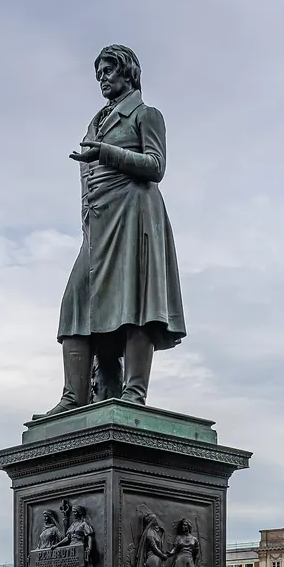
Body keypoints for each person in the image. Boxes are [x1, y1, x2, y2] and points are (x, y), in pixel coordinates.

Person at [38, 45, 186, 416]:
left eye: (108, 70)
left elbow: (155, 166)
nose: (102, 79)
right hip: (98, 225)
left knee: (135, 301)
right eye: (99, 74)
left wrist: (105, 153)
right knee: (76, 302)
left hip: (134, 214)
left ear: (127, 72)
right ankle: (74, 396)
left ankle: (133, 393)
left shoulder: (146, 115)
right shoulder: (96, 123)